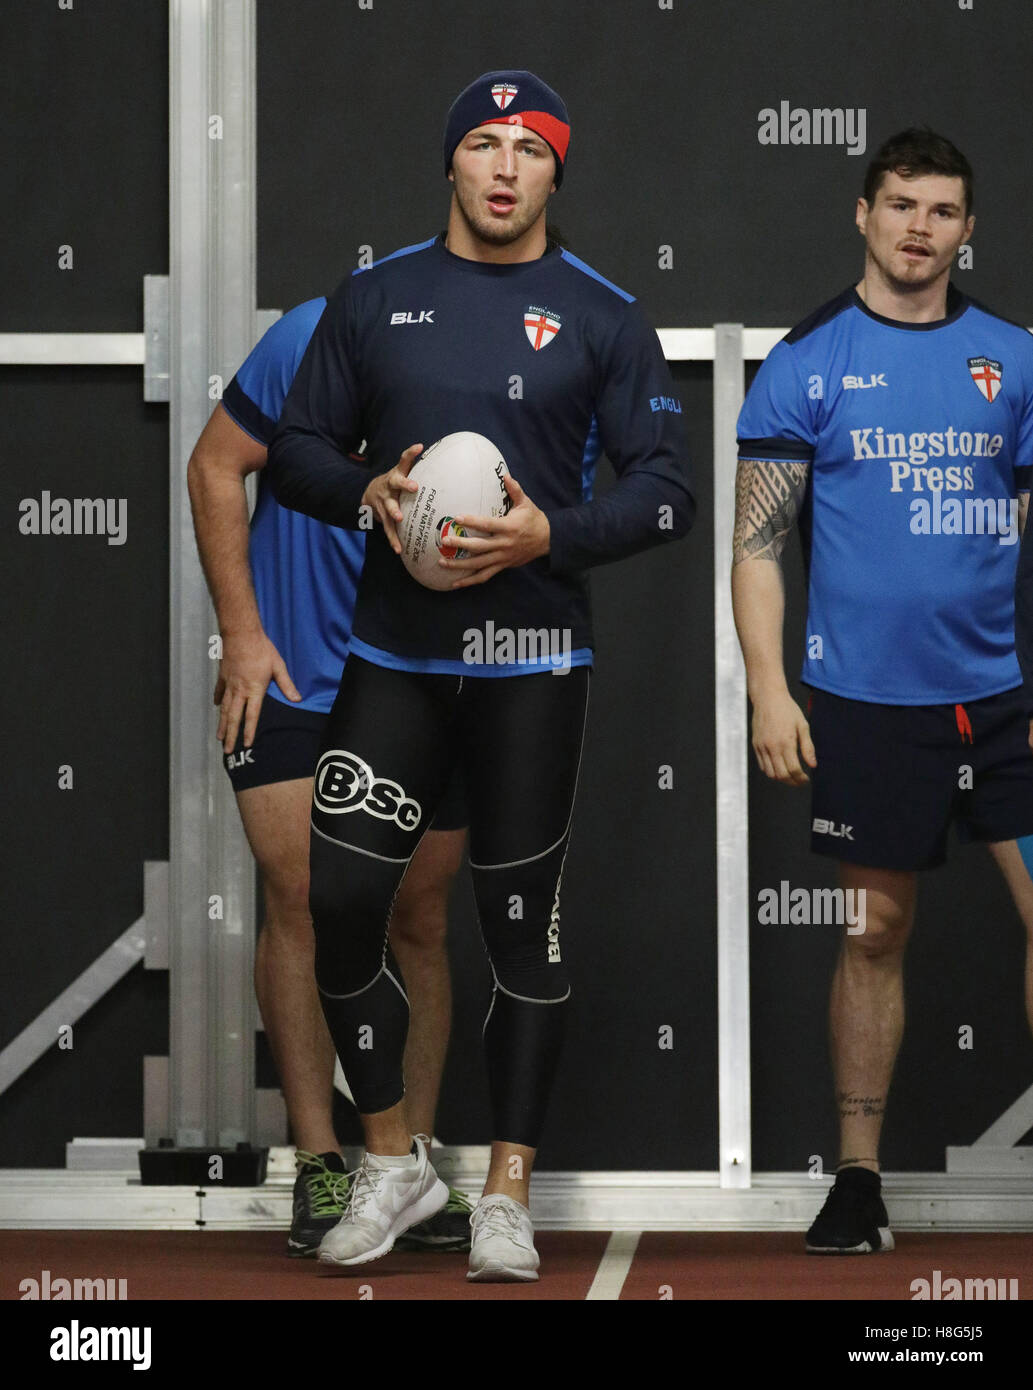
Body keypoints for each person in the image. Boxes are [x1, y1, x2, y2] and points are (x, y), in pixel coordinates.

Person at [267, 69, 694, 1281]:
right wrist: (367, 490)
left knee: (519, 936)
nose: (505, 167)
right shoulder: (374, 297)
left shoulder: (604, 315)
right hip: (395, 663)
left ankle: (506, 1185)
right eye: (484, 144)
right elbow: (291, 449)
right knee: (338, 906)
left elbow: (666, 496)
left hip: (532, 669)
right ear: (450, 162)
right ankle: (394, 1160)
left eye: (531, 150)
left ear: (558, 174)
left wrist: (546, 535)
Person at [732, 127, 1033, 1254]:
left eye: (941, 210)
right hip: (863, 704)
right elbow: (756, 546)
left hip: (999, 703)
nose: (918, 227)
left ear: (968, 229)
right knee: (874, 931)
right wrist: (769, 689)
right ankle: (857, 1178)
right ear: (862, 214)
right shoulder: (806, 362)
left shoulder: (1015, 357)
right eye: (899, 204)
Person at [187, 303, 473, 1258]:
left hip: (427, 675)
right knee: (302, 902)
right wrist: (242, 632)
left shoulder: (499, 353)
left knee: (419, 916)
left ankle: (413, 1168)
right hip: (296, 675)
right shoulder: (306, 334)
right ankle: (317, 1161)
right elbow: (215, 464)